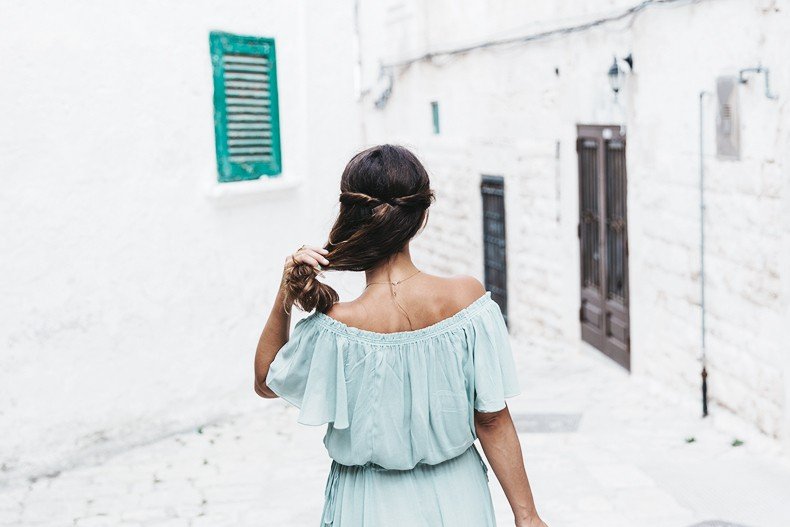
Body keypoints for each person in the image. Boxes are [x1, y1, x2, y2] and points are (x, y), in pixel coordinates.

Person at [253, 144, 547, 527]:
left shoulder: (335, 327)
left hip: (367, 506)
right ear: (420, 217)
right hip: (459, 500)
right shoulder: (467, 301)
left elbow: (265, 382)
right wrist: (527, 516)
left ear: (351, 214)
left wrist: (285, 292)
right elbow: (491, 419)